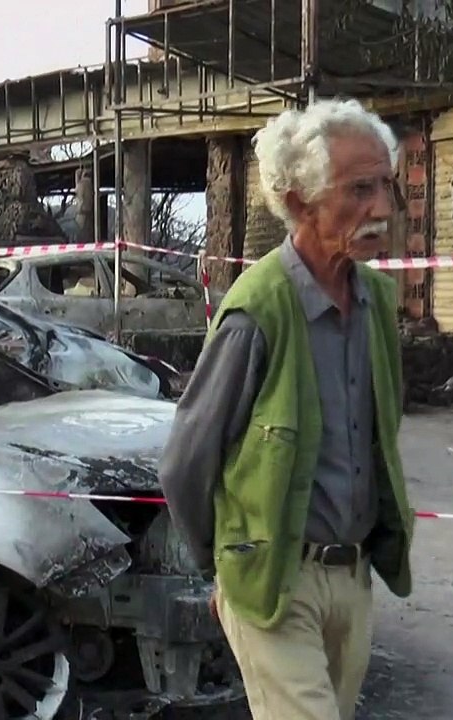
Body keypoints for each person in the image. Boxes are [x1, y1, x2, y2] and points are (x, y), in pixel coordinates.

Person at [158, 98, 415, 720]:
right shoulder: (259, 311)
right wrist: (222, 568)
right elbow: (186, 460)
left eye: (386, 185)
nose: (382, 207)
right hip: (275, 578)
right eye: (359, 189)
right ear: (301, 200)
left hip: (352, 580)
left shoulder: (377, 301)